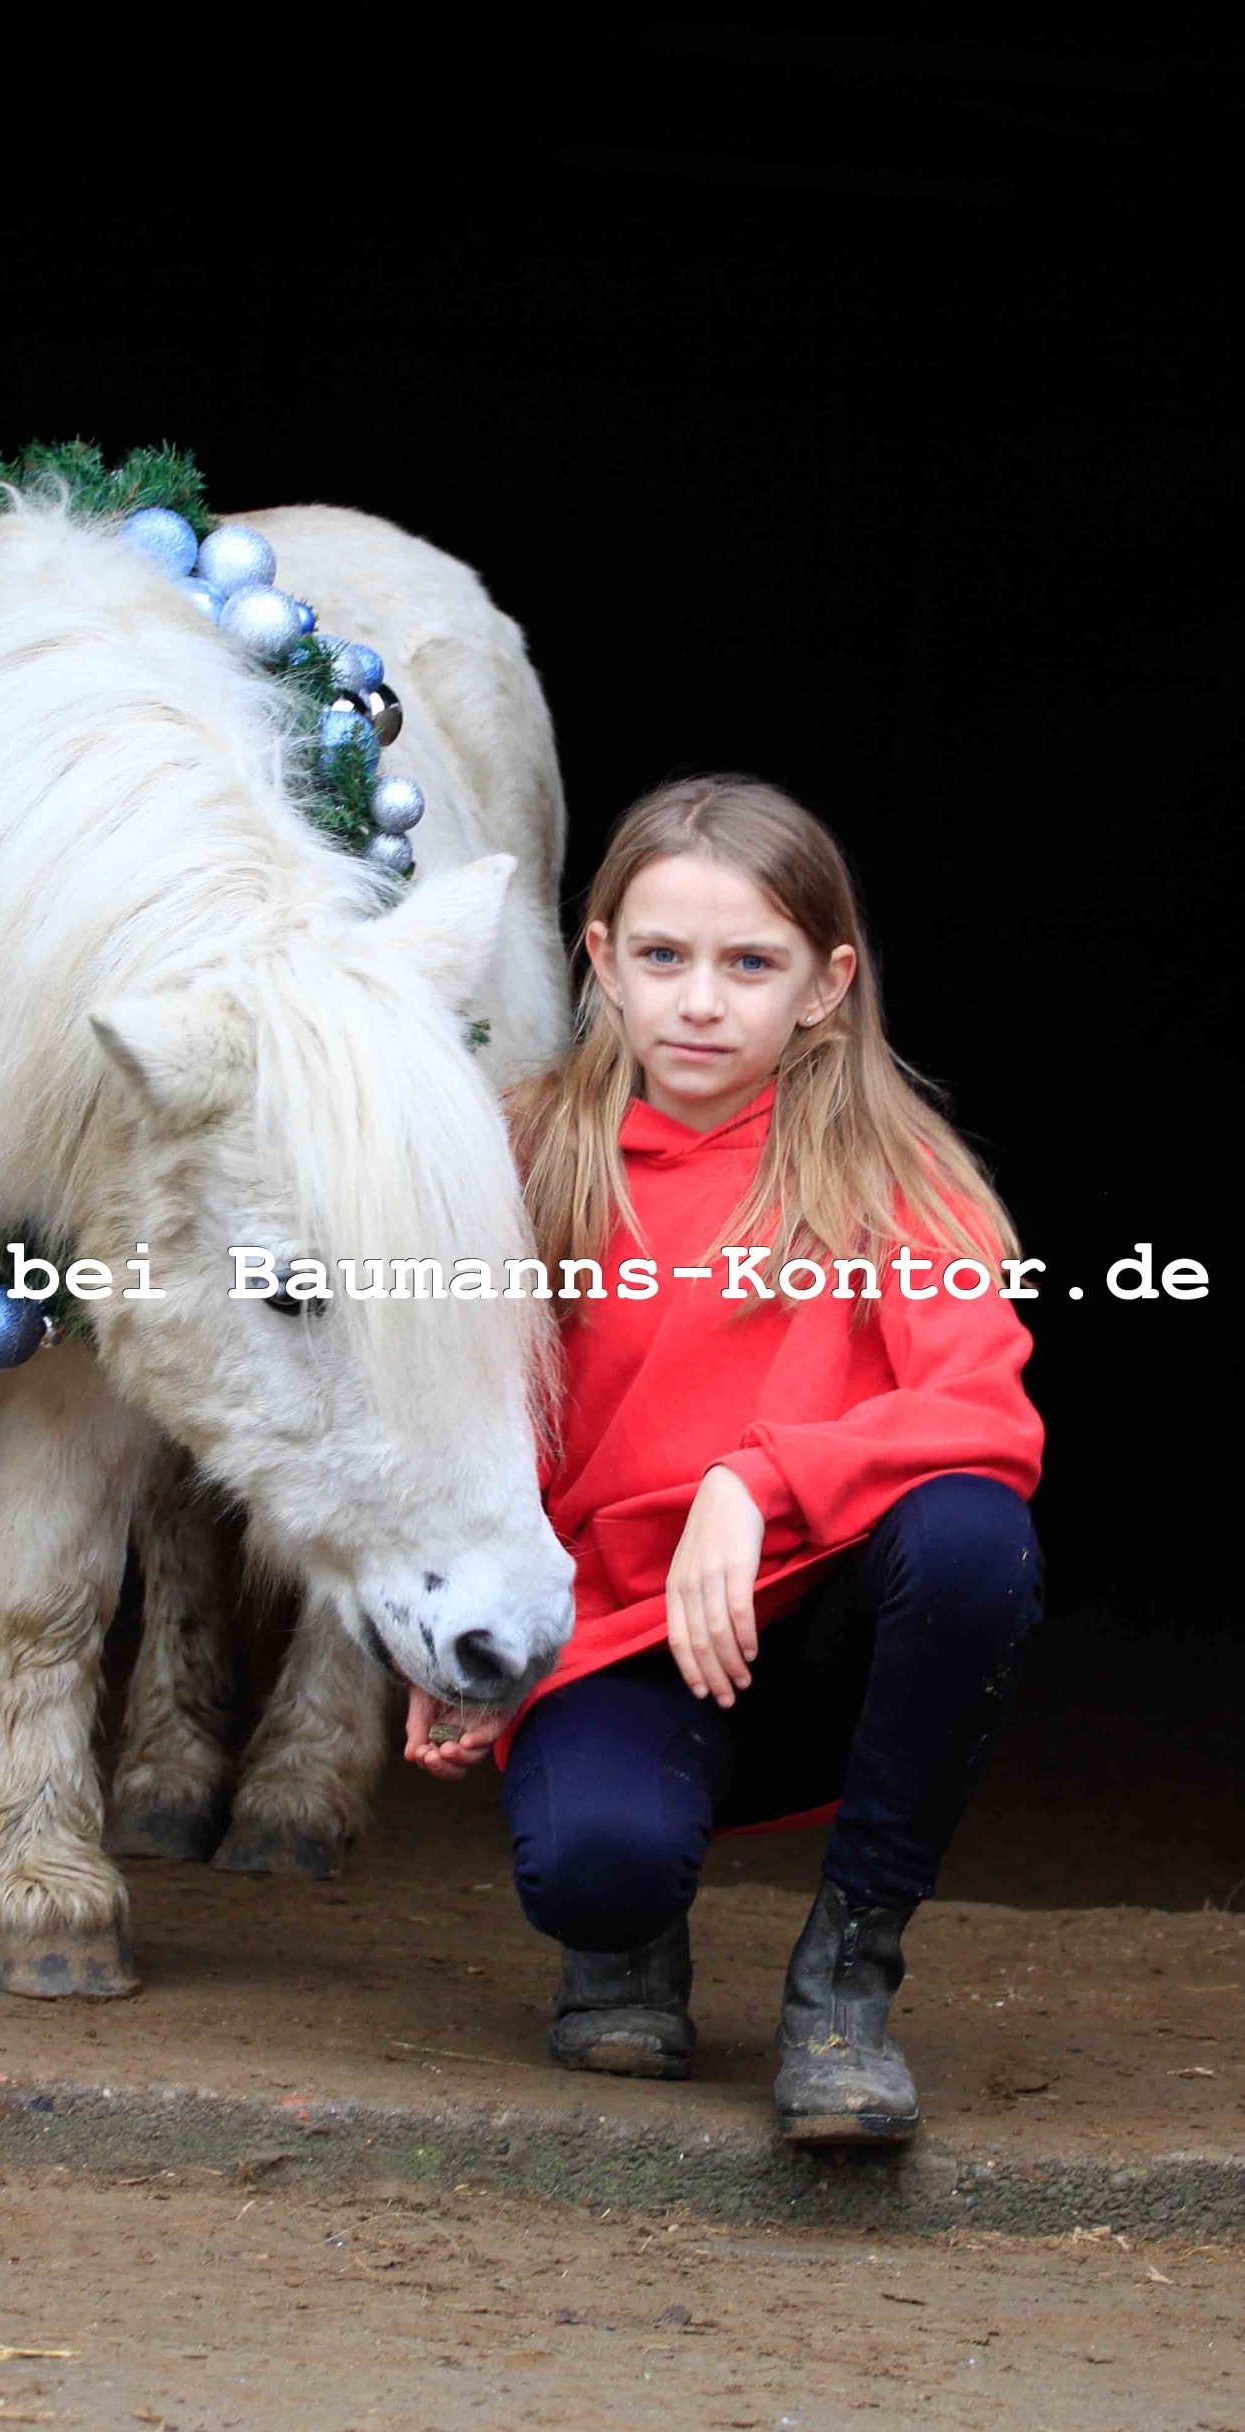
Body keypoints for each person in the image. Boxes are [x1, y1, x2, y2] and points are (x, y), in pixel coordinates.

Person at [405, 773, 1045, 2143]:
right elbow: (452, 1411)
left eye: (750, 964)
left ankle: (847, 1980)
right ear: (602, 962)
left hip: (820, 1650)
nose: (701, 1002)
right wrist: (456, 1616)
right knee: (596, 1873)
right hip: (616, 1643)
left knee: (974, 1535)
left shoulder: (893, 1173)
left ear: (825, 985)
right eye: (663, 957)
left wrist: (752, 1481)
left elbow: (988, 1413)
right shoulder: (522, 1154)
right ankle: (629, 1936)